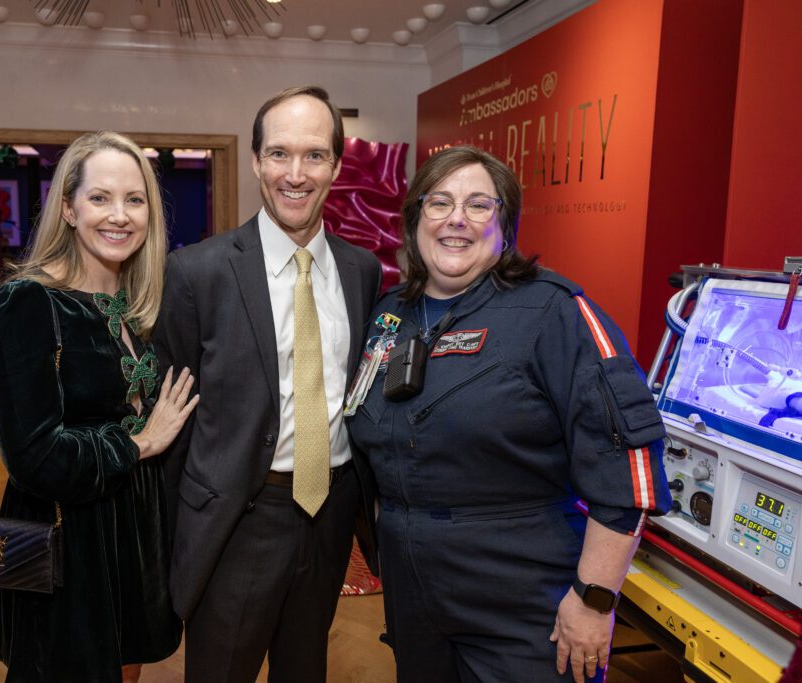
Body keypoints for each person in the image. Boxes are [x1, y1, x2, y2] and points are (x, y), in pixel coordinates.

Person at [347, 146, 673, 683]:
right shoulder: (388, 315)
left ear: (505, 225)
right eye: (439, 203)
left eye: (478, 205)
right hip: (412, 589)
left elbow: (628, 467)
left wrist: (594, 600)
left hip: (523, 595)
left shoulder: (555, 312)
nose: (456, 219)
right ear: (415, 218)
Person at [153, 85, 382, 683]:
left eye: (314, 155)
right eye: (279, 153)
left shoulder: (361, 271)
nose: (295, 174)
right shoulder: (197, 272)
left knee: (306, 668)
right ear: (256, 161)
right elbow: (172, 420)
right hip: (238, 518)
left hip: (330, 513)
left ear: (336, 165)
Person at [0, 131, 198, 683]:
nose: (119, 215)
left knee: (126, 668)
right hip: (69, 537)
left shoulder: (137, 305)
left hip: (133, 526)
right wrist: (139, 442)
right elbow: (33, 456)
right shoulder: (30, 300)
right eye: (100, 197)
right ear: (68, 208)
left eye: (135, 199)